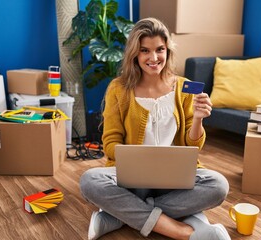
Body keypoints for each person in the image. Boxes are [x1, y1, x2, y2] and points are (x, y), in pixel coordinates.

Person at [80, 17, 230, 240]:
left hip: (175, 178)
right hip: (134, 180)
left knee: (219, 185)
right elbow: (110, 143)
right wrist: (138, 159)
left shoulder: (184, 87)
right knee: (89, 180)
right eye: (145, 51)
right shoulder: (118, 88)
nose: (153, 58)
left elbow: (194, 145)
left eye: (160, 49)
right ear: (135, 54)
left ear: (167, 50)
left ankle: (121, 215)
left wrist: (198, 119)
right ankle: (179, 229)